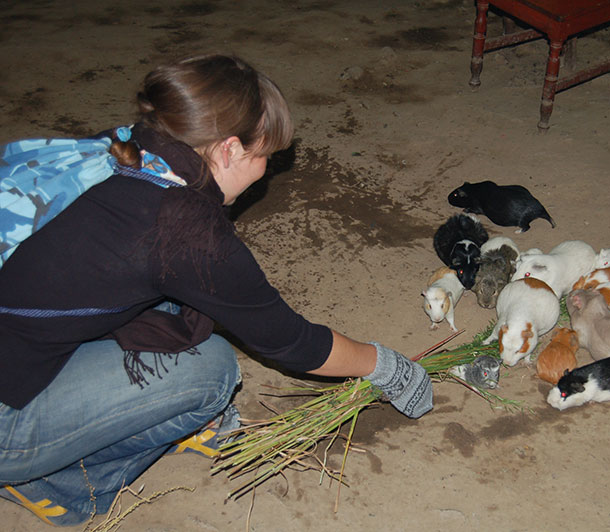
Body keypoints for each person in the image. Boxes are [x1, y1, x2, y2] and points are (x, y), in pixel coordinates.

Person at [0, 54, 432, 527]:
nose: (266, 170)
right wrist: (384, 365)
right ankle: (63, 485)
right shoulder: (183, 228)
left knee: (169, 302)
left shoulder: (123, 149)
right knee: (213, 371)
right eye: (264, 155)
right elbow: (292, 343)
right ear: (228, 150)